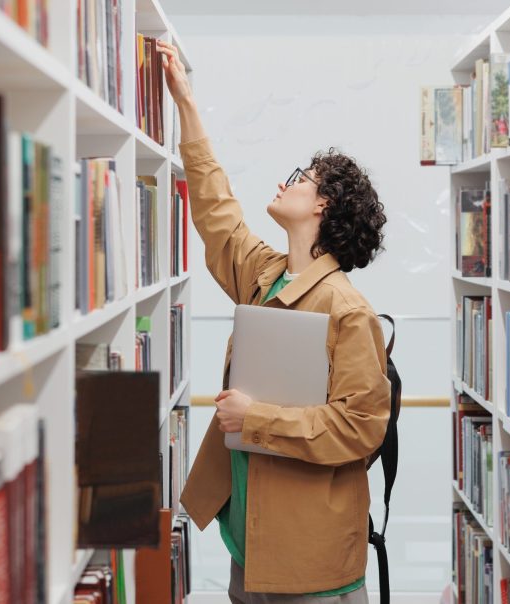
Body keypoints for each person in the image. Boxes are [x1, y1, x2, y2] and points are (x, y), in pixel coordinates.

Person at [157, 40, 392, 603]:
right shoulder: (268, 276)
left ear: (323, 207)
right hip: (254, 542)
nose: (286, 182)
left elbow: (361, 429)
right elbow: (218, 216)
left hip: (308, 561)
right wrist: (186, 106)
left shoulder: (348, 310)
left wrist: (255, 418)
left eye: (302, 177)